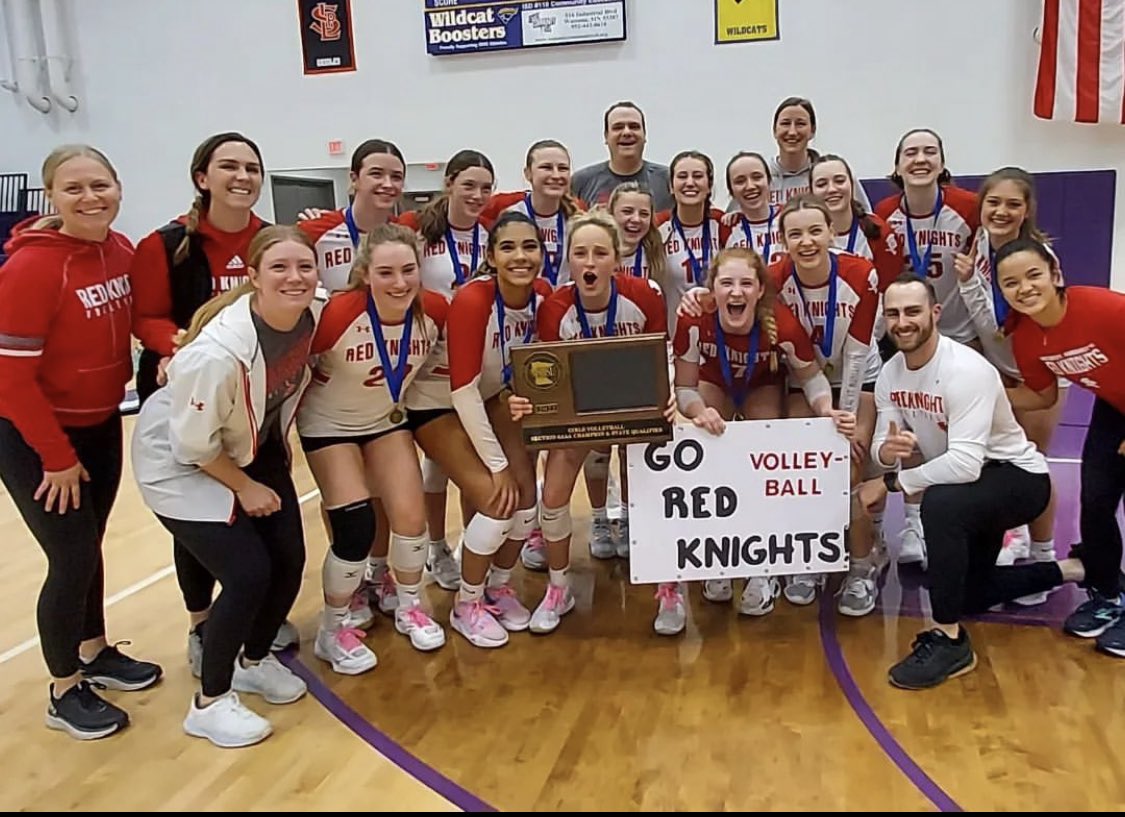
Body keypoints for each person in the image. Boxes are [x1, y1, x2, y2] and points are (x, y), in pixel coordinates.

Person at [132, 226, 318, 746]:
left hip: (245, 444)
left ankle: (253, 661)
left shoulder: (313, 312)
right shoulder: (216, 353)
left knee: (289, 559)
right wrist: (243, 487)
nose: (295, 277)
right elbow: (192, 446)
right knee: (247, 572)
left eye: (304, 265)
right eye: (279, 267)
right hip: (179, 458)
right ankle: (209, 703)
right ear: (253, 276)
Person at [0, 145, 162, 740]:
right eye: (74, 189)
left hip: (98, 424)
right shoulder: (31, 269)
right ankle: (64, 689)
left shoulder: (119, 250)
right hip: (36, 434)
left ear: (119, 185)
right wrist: (56, 457)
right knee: (68, 557)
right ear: (51, 198)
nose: (91, 198)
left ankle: (95, 650)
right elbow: (11, 380)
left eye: (101, 184)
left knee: (90, 544)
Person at [858, 273, 1089, 689]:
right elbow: (882, 444)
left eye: (913, 311)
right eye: (893, 313)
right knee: (965, 592)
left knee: (940, 505)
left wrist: (891, 483)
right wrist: (886, 455)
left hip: (1016, 479)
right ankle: (1075, 568)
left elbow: (964, 465)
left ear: (935, 312)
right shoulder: (892, 373)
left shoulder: (965, 369)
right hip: (972, 488)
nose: (903, 322)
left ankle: (949, 639)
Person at [129, 132, 294, 672]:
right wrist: (177, 348)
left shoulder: (272, 242)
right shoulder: (165, 244)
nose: (243, 176)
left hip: (250, 408)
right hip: (188, 392)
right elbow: (147, 316)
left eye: (253, 167)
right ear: (203, 178)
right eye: (229, 166)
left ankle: (252, 613)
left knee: (268, 532)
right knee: (201, 518)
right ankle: (204, 624)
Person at [671, 247, 855, 626]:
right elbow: (685, 387)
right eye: (726, 283)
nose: (735, 293)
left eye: (745, 284)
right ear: (712, 289)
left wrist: (826, 410)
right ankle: (716, 555)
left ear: (759, 291)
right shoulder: (694, 320)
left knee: (762, 452)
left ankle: (762, 566)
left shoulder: (781, 323)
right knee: (709, 450)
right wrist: (697, 412)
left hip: (760, 385)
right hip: (715, 382)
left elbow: (810, 377)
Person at [509, 210, 672, 633]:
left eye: (600, 253)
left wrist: (667, 401)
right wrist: (533, 411)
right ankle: (559, 587)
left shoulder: (645, 295)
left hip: (634, 405)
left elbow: (661, 358)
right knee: (555, 491)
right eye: (579, 253)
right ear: (569, 260)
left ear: (616, 260)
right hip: (580, 409)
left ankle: (668, 588)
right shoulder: (556, 307)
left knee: (655, 487)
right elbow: (548, 375)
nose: (589, 262)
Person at [297, 223, 450, 665]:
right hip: (328, 425)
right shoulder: (337, 314)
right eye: (386, 273)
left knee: (410, 515)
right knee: (355, 524)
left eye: (408, 270)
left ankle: (409, 605)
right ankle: (333, 627)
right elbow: (293, 370)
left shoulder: (435, 311)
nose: (399, 283)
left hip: (385, 420)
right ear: (365, 273)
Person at [995, 238, 1125, 656]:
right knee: (1097, 498)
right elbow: (1042, 397)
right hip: (1115, 406)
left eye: (1033, 275)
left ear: (1055, 274)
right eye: (1011, 282)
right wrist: (980, 393)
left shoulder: (1106, 309)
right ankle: (1107, 594)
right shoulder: (1028, 338)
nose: (1025, 288)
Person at [953, 168, 1063, 581]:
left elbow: (1009, 324)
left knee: (1034, 466)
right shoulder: (977, 245)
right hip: (997, 368)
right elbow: (987, 328)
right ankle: (1007, 538)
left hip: (1039, 370)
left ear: (1027, 210)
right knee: (997, 465)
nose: (1000, 211)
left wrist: (968, 287)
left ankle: (1044, 556)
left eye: (1012, 204)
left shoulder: (1039, 259)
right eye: (993, 202)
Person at [398, 150, 496, 592]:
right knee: (435, 466)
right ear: (450, 183)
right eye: (469, 185)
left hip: (475, 358)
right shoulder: (416, 232)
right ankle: (437, 547)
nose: (477, 195)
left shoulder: (492, 235)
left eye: (485, 188)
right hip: (427, 360)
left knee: (468, 459)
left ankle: (474, 545)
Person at [570, 101, 673, 212]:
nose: (627, 132)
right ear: (606, 136)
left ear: (645, 135)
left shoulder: (668, 180)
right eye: (618, 127)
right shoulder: (581, 181)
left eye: (634, 126)